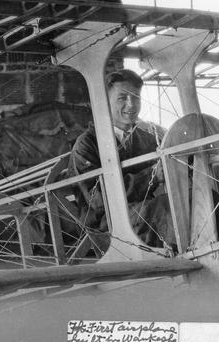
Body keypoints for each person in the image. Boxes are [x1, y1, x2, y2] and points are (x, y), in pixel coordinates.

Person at [67, 69, 174, 248]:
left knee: (192, 200)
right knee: (163, 207)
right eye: (122, 98)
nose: (131, 105)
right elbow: (99, 200)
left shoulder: (147, 138)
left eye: (136, 97)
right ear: (105, 103)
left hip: (142, 210)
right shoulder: (86, 145)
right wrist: (152, 176)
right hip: (106, 222)